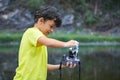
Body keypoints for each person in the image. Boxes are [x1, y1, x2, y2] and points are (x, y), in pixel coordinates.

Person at [13, 6, 77, 80]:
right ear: (41, 20)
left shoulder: (41, 43)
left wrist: (62, 66)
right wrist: (66, 44)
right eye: (51, 26)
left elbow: (43, 66)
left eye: (54, 28)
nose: (52, 30)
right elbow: (48, 42)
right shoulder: (31, 32)